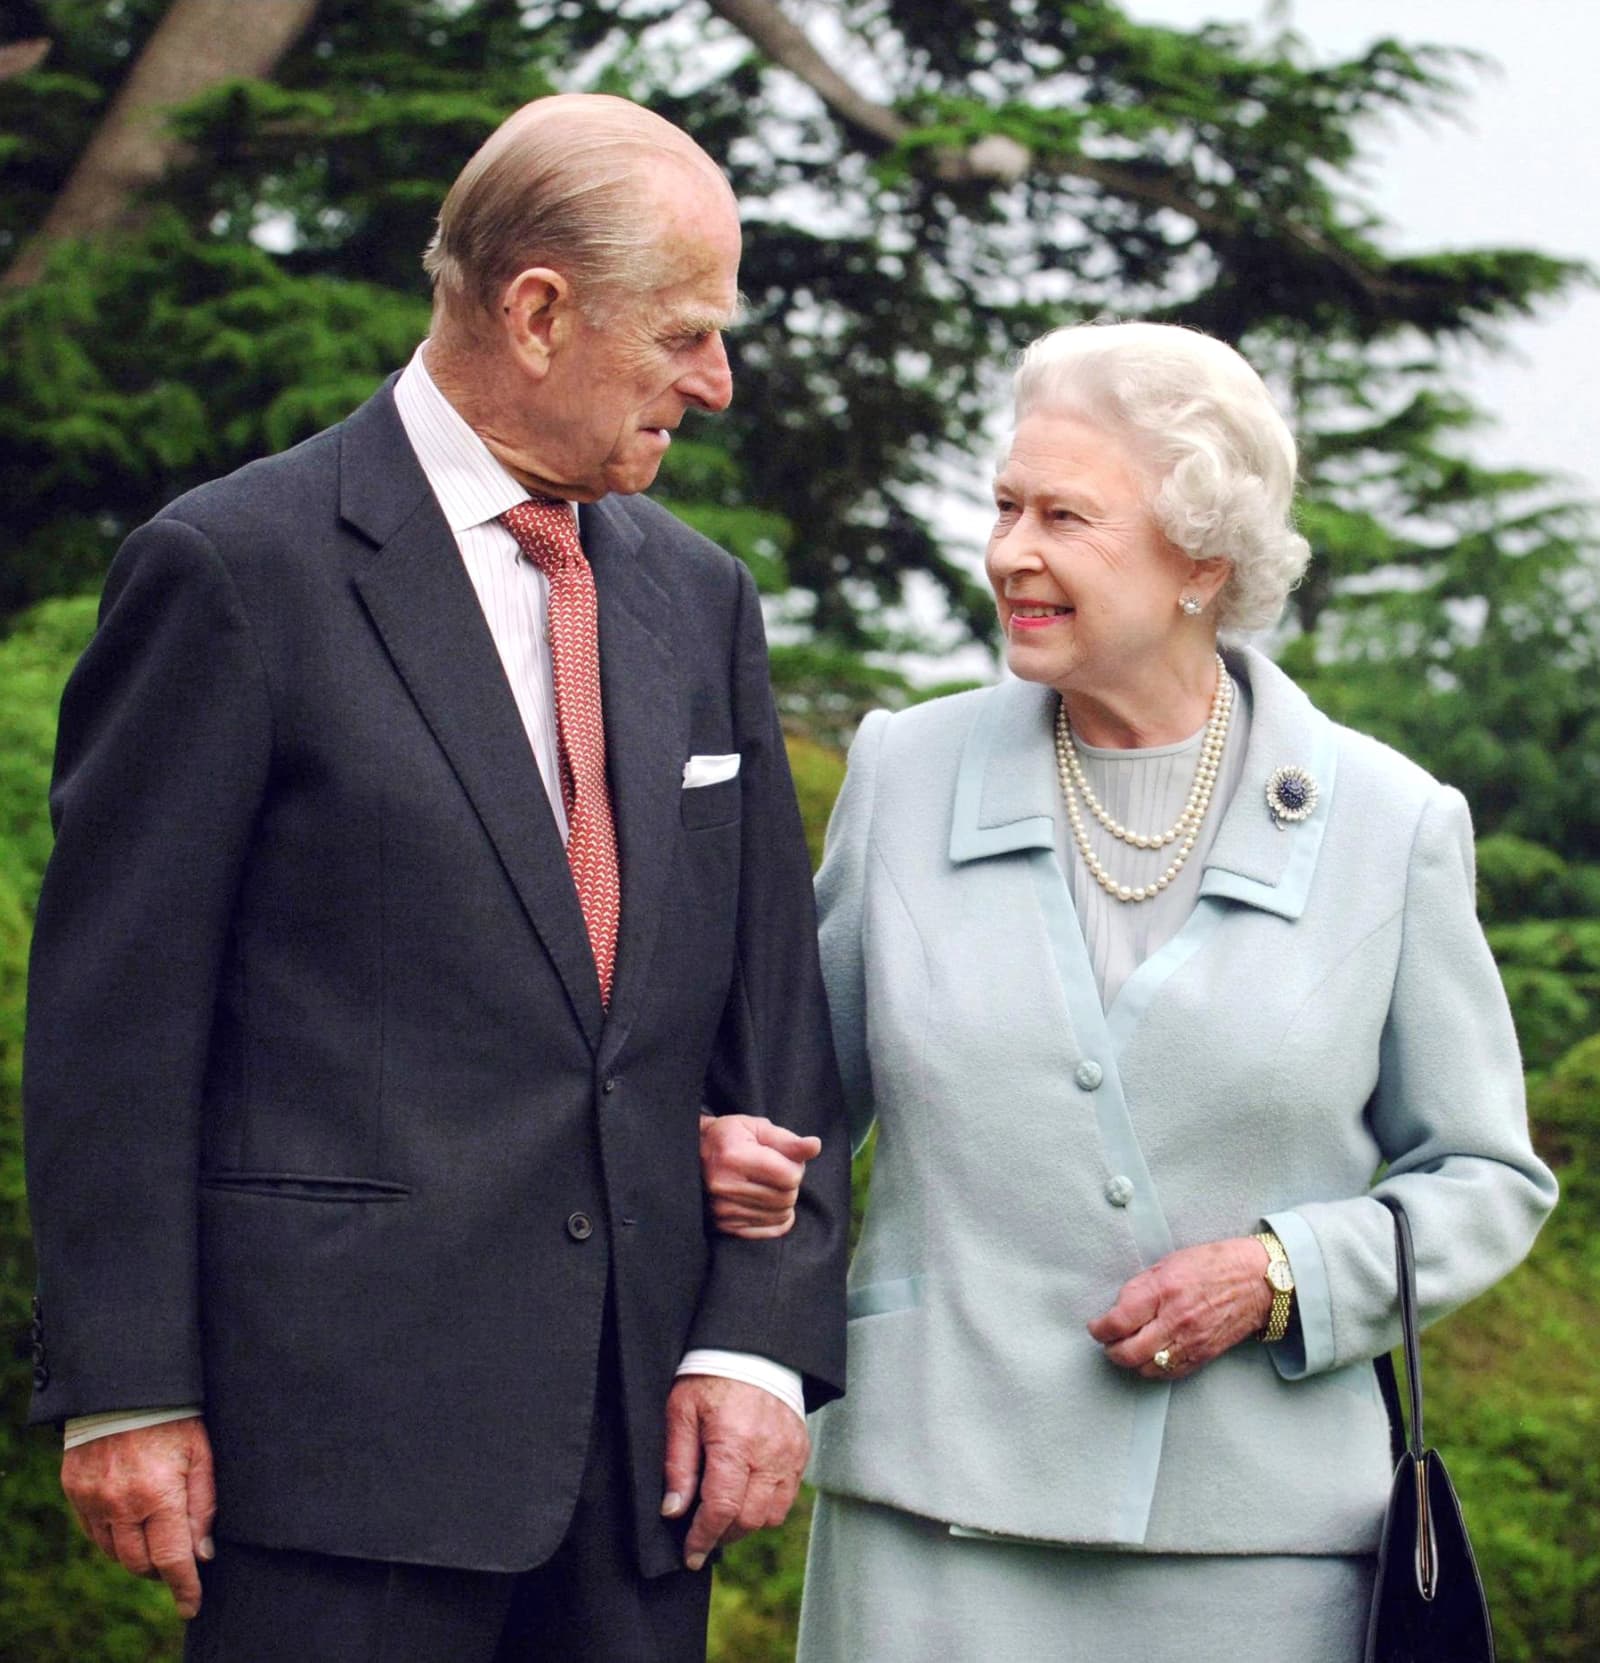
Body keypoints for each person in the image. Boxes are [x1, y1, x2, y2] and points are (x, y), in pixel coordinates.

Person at [23, 93, 850, 1662]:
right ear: (537, 311)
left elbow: (772, 1015)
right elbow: (112, 1030)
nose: (718, 383)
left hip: (639, 1471)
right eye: (686, 332)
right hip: (331, 1460)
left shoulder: (699, 597)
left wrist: (758, 1346)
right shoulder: (232, 571)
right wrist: (129, 1388)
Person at [701, 321, 1557, 1662]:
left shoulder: (1389, 822)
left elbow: (1485, 1177)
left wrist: (1283, 1273)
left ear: (1201, 564)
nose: (1008, 553)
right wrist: (727, 1144)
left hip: (1261, 1555)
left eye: (1063, 517)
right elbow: (792, 1101)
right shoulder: (907, 774)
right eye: (1002, 506)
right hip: (932, 1529)